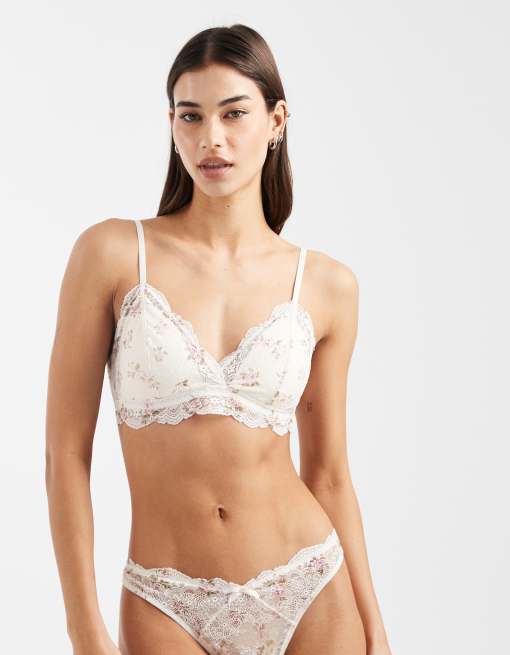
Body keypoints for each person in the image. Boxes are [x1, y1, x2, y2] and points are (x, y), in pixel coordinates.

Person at [45, 23, 392, 655]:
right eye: (191, 116)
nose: (212, 138)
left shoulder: (326, 285)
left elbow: (329, 474)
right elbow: (66, 454)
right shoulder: (113, 253)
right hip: (165, 599)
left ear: (276, 121)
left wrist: (376, 629)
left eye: (234, 114)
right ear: (172, 124)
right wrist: (84, 631)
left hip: (310, 586)